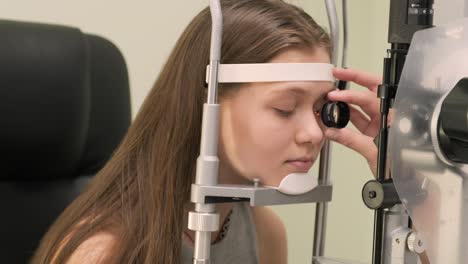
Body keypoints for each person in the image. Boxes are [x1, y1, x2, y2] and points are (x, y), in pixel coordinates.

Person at [31, 0, 385, 263]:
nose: (314, 133)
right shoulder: (104, 251)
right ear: (209, 102)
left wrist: (402, 176)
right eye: (284, 109)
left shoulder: (265, 234)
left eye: (322, 109)